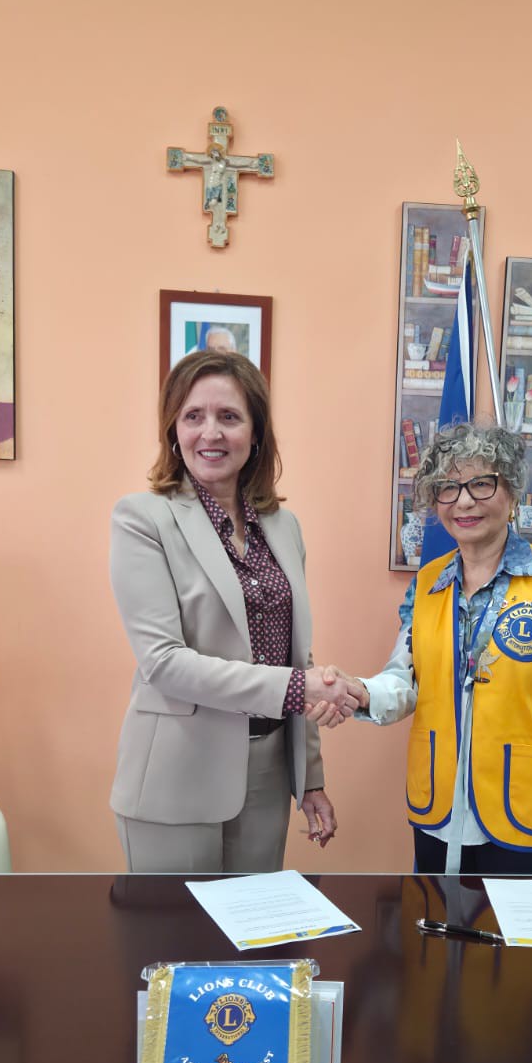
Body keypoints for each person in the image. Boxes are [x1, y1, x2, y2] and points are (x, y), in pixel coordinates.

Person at [110, 348, 359, 873]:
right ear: (173, 431)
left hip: (268, 773)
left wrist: (310, 778)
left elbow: (297, 655)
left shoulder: (284, 527)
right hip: (177, 773)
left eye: (229, 416)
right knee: (173, 925)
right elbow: (164, 663)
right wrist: (302, 688)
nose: (211, 432)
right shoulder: (143, 519)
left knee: (253, 924)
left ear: (256, 432)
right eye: (193, 416)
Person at [330, 422, 532, 876]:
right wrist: (360, 691)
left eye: (481, 483)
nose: (463, 501)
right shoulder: (427, 583)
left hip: (525, 811)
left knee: (515, 926)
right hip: (438, 807)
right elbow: (405, 679)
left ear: (511, 493)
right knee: (435, 921)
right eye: (448, 487)